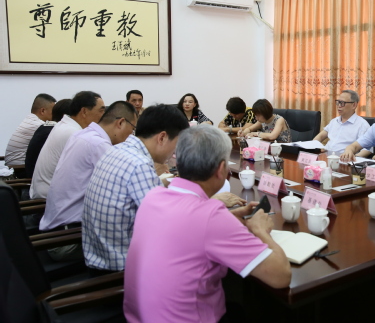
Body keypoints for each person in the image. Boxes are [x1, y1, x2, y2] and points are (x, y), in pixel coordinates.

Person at [124, 125, 291, 322]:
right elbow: (281, 276)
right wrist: (260, 230)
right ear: (221, 169)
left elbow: (189, 228)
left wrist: (230, 217)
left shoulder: (153, 197)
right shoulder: (211, 217)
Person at [82, 105, 244, 275]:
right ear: (162, 137)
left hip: (100, 255)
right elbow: (171, 226)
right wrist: (211, 204)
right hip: (121, 268)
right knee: (208, 256)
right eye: (178, 144)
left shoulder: (117, 150)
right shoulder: (139, 165)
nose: (176, 152)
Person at [40, 101, 138, 234]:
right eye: (132, 129)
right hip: (70, 232)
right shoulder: (99, 144)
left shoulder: (82, 134)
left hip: (56, 223)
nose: (131, 135)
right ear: (120, 123)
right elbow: (124, 187)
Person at [30, 91, 105, 199]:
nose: (104, 116)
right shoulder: (74, 134)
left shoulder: (64, 125)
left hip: (46, 192)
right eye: (101, 110)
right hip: (48, 199)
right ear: (84, 111)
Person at [4, 93, 56, 167]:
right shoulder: (38, 125)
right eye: (53, 112)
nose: (55, 115)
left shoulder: (29, 119)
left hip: (13, 166)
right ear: (43, 111)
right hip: (20, 168)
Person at [313, 90, 371, 154]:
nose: (339, 106)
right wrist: (315, 147)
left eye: (342, 103)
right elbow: (320, 136)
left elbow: (367, 149)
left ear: (354, 105)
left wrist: (354, 158)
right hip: (325, 155)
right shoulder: (334, 121)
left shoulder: (362, 125)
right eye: (338, 102)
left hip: (344, 158)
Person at [25, 99, 71, 178]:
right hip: (37, 178)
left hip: (35, 176)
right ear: (66, 116)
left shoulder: (44, 127)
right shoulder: (56, 131)